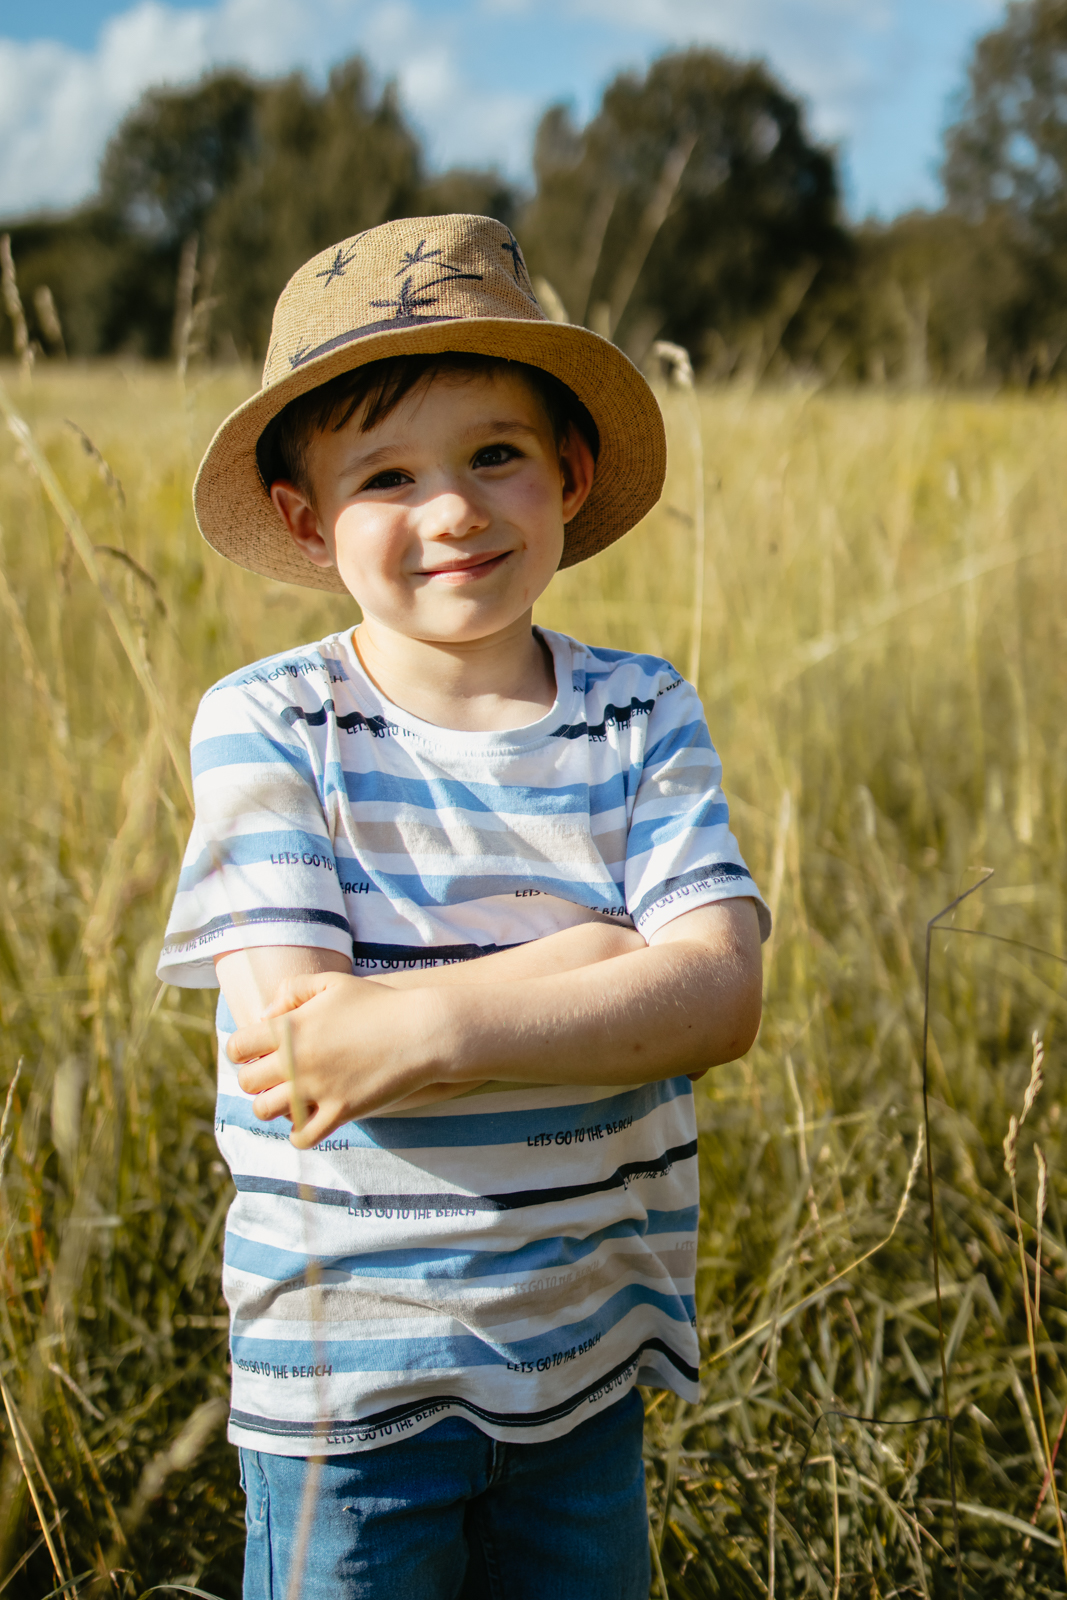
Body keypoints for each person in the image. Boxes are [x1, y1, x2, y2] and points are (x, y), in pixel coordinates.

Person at [159, 214, 769, 1600]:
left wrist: (421, 1017)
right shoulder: (272, 725)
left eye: (494, 452)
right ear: (309, 520)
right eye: (385, 474)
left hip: (585, 1374)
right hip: (348, 1404)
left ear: (570, 468)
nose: (451, 511)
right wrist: (602, 958)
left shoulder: (639, 715)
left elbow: (721, 996)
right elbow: (307, 1050)